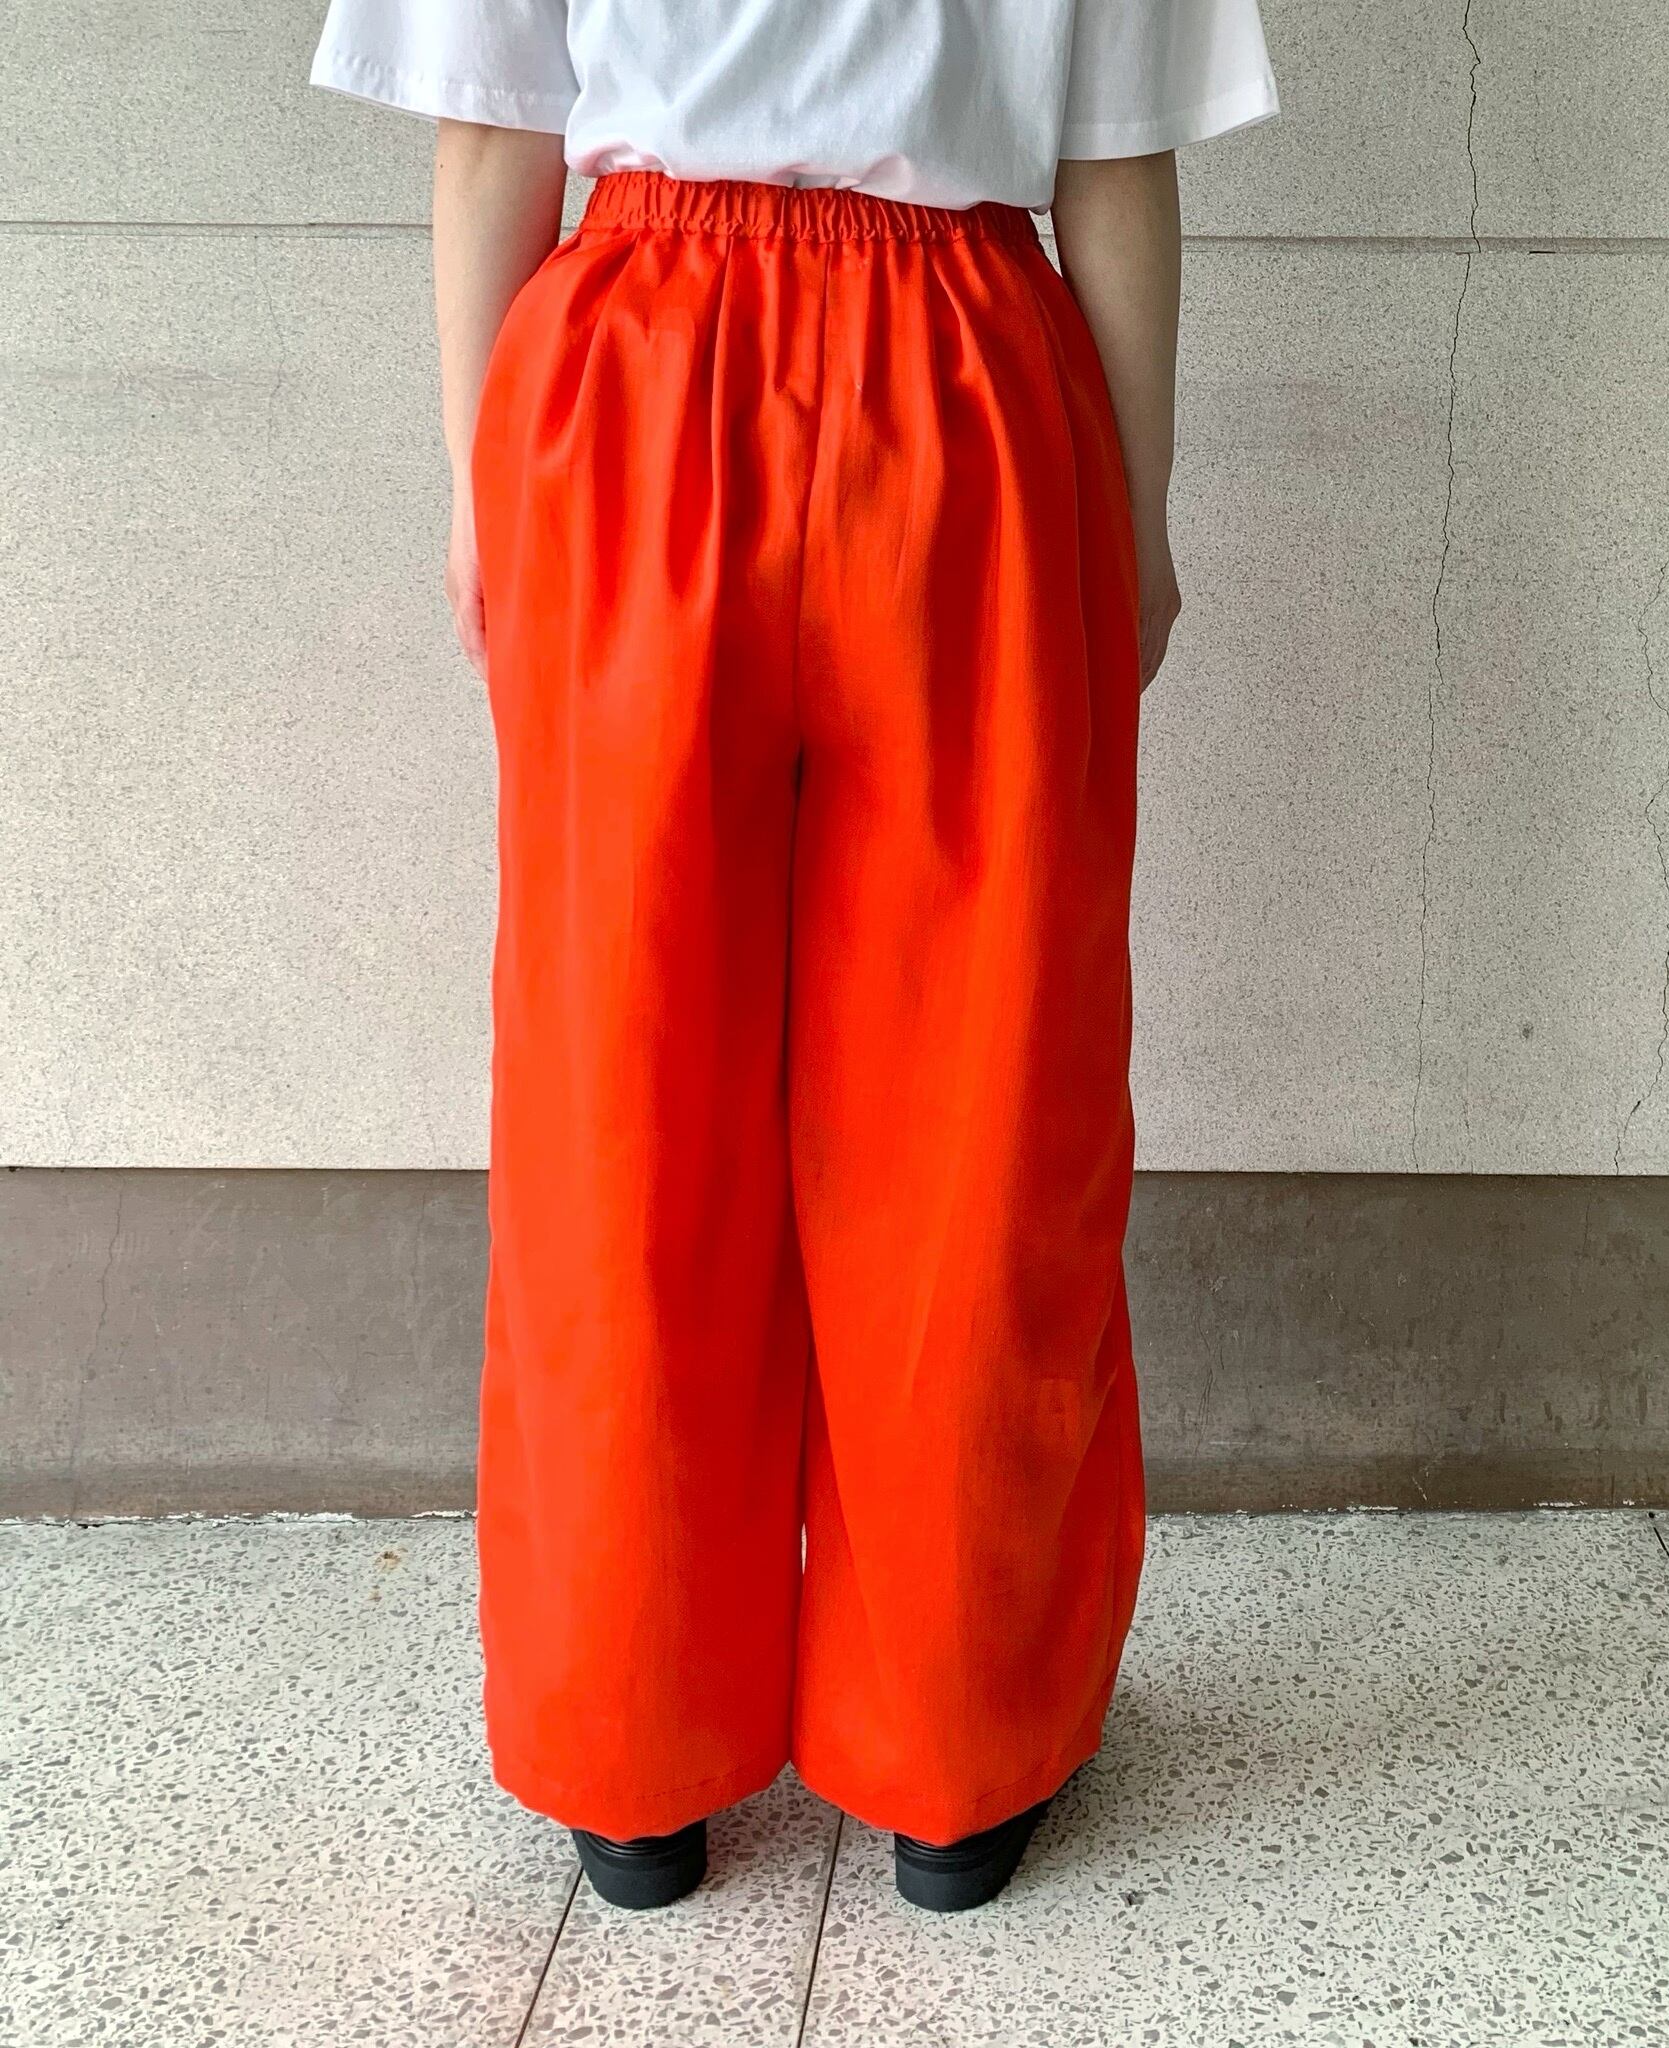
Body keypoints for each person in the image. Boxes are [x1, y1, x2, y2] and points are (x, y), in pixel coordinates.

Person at [310, 0, 1277, 1914]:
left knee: (619, 1089)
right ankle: (956, 1754)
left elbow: (493, 140)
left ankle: (630, 1754)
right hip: (971, 389)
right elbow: (1114, 170)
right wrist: (1135, 518)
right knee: (979, 1092)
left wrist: (484, 500)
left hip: (635, 382)